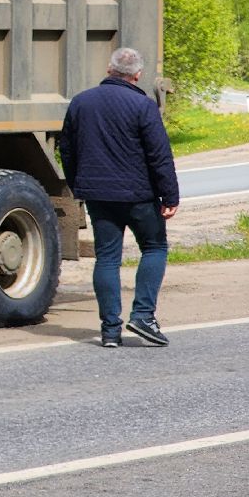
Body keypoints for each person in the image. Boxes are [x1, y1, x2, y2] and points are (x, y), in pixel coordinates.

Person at [59, 47, 179, 348]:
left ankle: (110, 330)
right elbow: (159, 155)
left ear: (109, 69)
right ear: (137, 75)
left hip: (99, 196)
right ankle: (143, 316)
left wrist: (78, 186)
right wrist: (170, 196)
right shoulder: (143, 105)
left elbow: (67, 150)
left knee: (107, 258)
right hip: (139, 195)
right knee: (154, 247)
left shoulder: (81, 102)